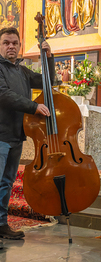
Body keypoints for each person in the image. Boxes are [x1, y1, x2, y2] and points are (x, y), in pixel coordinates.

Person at [0, 27, 54, 249]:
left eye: (14, 42)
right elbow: (3, 94)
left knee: (6, 183)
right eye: (6, 42)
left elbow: (48, 82)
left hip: (16, 135)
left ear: (20, 45)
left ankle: (1, 224)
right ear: (0, 45)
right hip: (0, 135)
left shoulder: (22, 71)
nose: (11, 46)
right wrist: (33, 106)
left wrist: (48, 58)